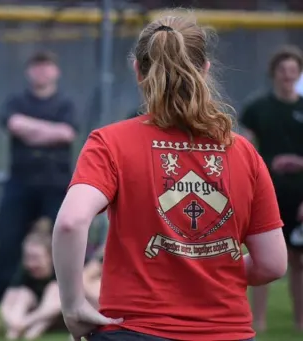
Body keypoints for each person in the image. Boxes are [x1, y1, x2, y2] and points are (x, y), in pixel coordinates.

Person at [52, 14, 288, 341]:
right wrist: (210, 269)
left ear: (137, 71)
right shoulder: (243, 152)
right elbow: (273, 264)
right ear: (205, 69)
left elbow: (70, 222)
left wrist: (74, 304)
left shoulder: (109, 143)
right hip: (226, 332)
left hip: (132, 330)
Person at [0, 51, 78, 304]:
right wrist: (48, 131)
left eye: (46, 66)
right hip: (20, 182)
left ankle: (64, 295)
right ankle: (0, 296)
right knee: (7, 239)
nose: (41, 72)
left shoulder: (65, 104)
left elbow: (66, 134)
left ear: (56, 72)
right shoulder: (17, 101)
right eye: (36, 67)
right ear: (29, 72)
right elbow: (13, 124)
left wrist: (31, 129)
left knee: (63, 238)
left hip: (56, 183)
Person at [240, 45, 303, 332]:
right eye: (283, 70)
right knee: (263, 259)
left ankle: (300, 320)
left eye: (293, 71)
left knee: (299, 260)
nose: (288, 76)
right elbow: (245, 150)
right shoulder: (257, 109)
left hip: (300, 196)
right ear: (273, 73)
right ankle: (260, 319)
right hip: (268, 195)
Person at [0, 217, 61, 340]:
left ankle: (31, 335)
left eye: (36, 258)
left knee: (53, 289)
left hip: (54, 318)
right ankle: (13, 334)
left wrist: (26, 321)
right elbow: (5, 304)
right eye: (28, 257)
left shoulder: (59, 270)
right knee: (24, 294)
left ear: (49, 257)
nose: (31, 264)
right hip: (28, 316)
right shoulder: (24, 272)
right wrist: (12, 321)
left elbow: (56, 307)